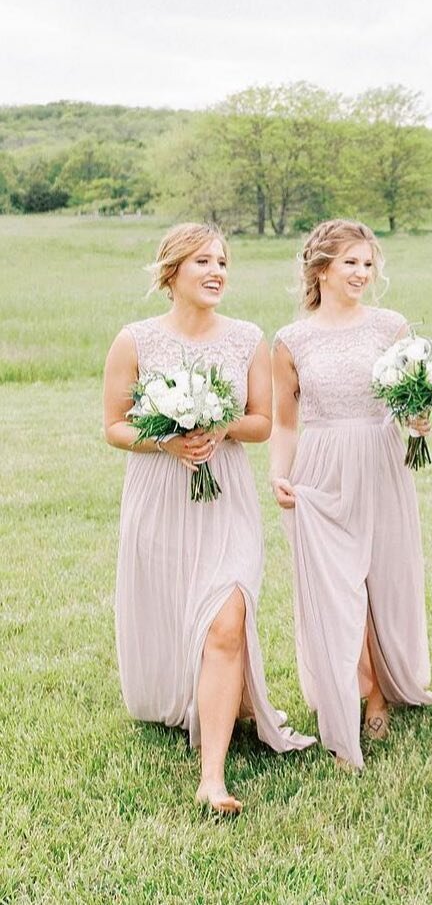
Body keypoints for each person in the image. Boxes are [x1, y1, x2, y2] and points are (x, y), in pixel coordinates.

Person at [103, 223, 313, 815]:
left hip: (226, 496)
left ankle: (212, 778)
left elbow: (262, 421)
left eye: (222, 261)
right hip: (159, 494)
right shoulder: (135, 340)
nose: (217, 271)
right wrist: (164, 441)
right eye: (203, 261)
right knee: (177, 611)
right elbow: (115, 426)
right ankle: (198, 698)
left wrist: (219, 428)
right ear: (172, 272)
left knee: (226, 619)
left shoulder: (246, 338)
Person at [270, 219, 432, 769]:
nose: (362, 273)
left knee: (377, 580)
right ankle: (357, 698)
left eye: (368, 264)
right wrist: (279, 474)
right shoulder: (292, 339)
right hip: (319, 468)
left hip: (380, 460)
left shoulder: (392, 327)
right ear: (322, 269)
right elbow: (285, 421)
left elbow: (413, 398)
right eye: (351, 264)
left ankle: (382, 688)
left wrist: (419, 418)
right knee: (336, 589)